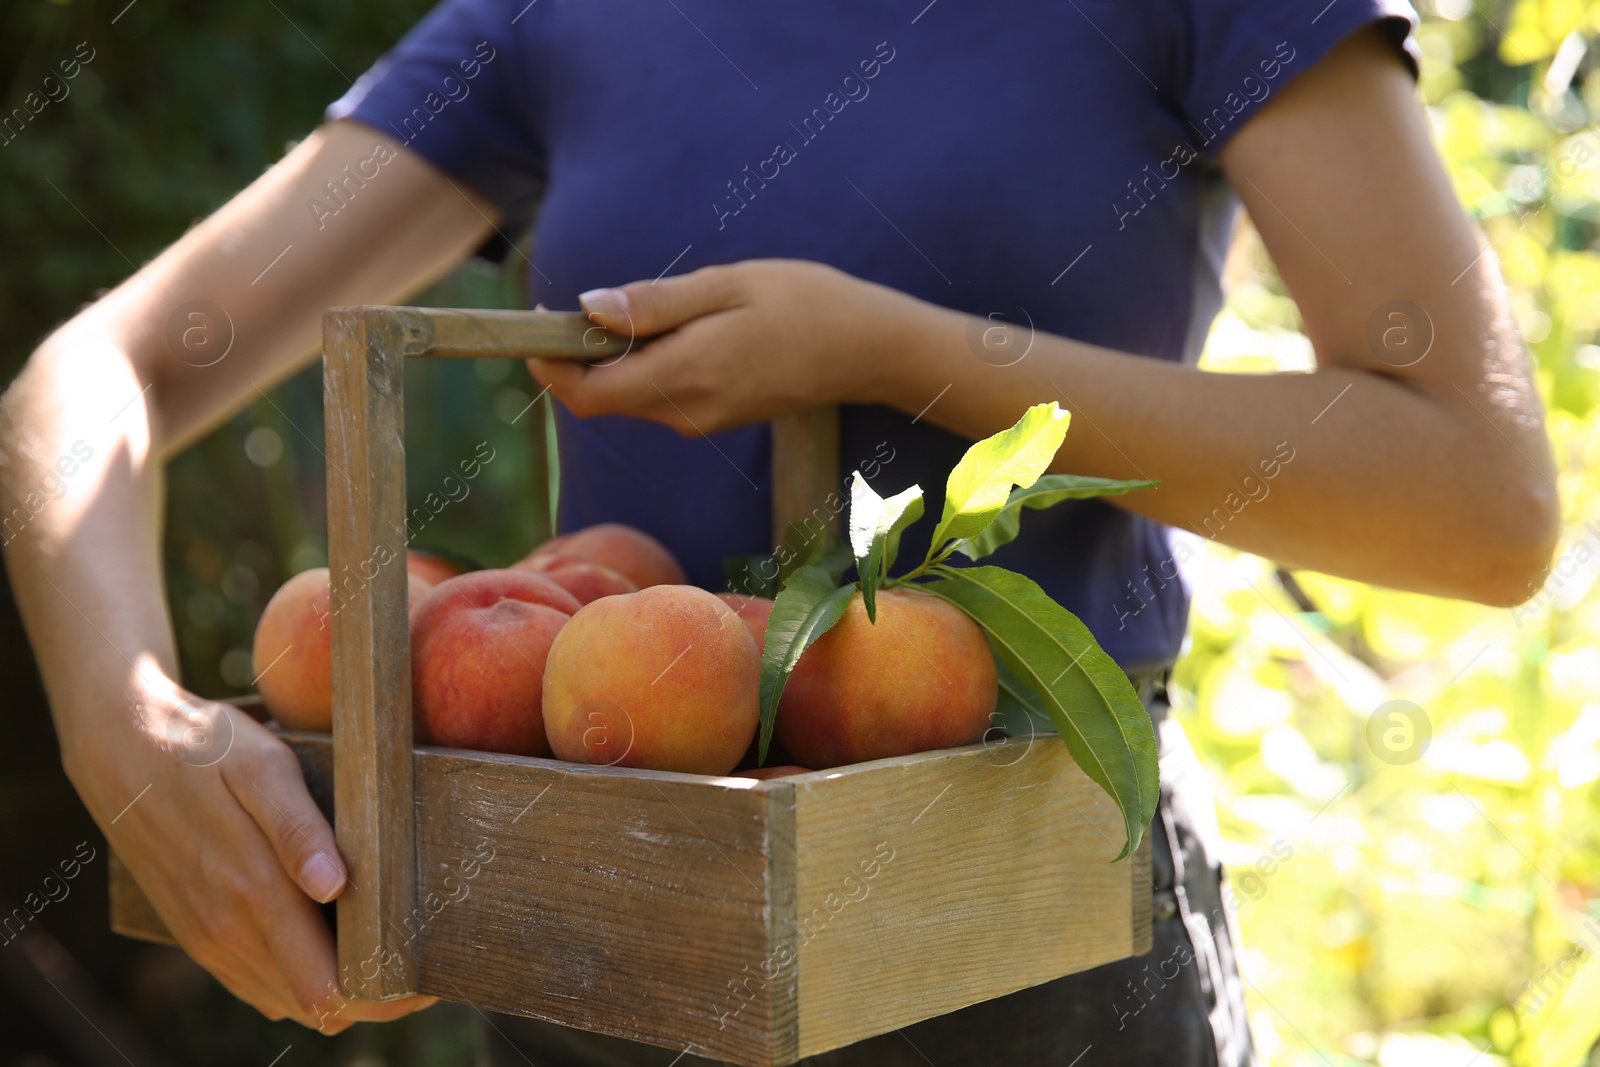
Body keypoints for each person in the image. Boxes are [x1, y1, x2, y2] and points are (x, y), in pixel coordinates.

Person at [0, 0, 1558, 1063]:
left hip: (1027, 968)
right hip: (607, 954)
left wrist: (902, 351)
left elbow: (1479, 501)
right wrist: (121, 722)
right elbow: (98, 375)